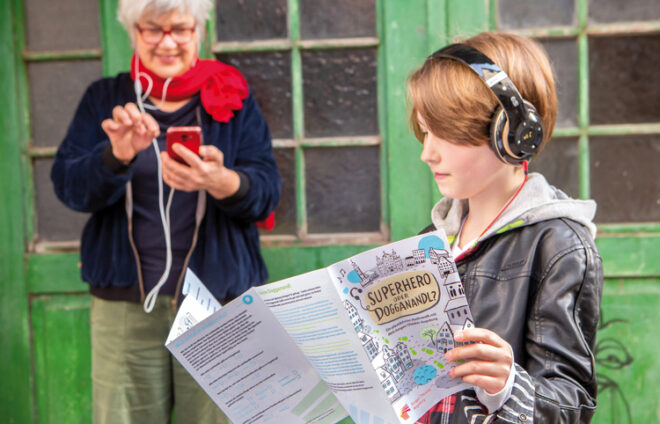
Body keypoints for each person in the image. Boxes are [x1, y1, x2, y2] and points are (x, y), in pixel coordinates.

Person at [51, 0, 280, 422]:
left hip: (218, 305)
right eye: (153, 29)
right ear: (133, 32)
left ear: (199, 31)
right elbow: (68, 188)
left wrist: (220, 181)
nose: (167, 42)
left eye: (180, 28)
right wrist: (115, 156)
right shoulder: (105, 98)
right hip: (126, 308)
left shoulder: (231, 97)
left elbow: (266, 193)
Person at [407, 32, 603, 423]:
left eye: (445, 133)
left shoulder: (557, 245)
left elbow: (572, 402)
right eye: (425, 131)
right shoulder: (429, 239)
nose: (427, 152)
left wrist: (508, 386)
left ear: (512, 134)